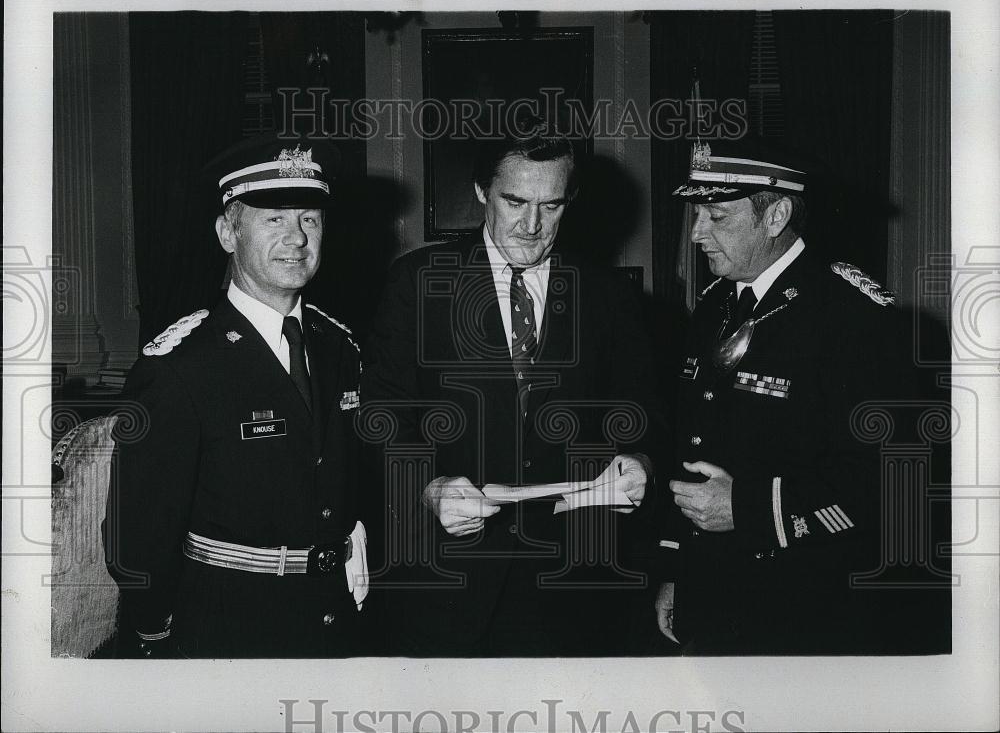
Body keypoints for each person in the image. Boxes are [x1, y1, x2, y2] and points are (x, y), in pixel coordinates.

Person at [362, 119, 666, 656]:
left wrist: (639, 461)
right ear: (482, 192)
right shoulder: (417, 282)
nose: (532, 224)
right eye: (515, 202)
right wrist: (429, 488)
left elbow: (645, 414)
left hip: (573, 589)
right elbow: (381, 418)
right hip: (447, 586)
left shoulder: (608, 296)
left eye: (552, 205)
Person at [657, 140, 932, 654]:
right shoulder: (716, 305)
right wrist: (676, 570)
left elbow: (892, 478)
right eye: (697, 215)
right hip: (711, 591)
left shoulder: (854, 319)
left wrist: (749, 509)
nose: (696, 233)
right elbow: (692, 444)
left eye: (717, 216)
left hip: (807, 608)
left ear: (776, 216)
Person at [103, 135, 369, 658]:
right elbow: (138, 536)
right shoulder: (179, 366)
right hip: (228, 631)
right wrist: (155, 635)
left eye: (310, 219)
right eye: (273, 219)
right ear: (228, 233)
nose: (297, 238)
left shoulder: (340, 348)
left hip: (336, 622)